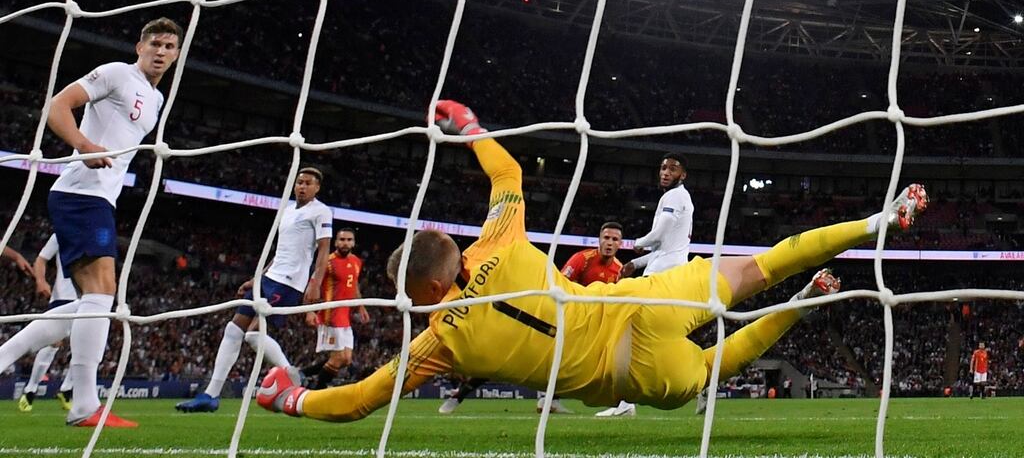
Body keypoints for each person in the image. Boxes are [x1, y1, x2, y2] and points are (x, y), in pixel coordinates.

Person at [255, 99, 929, 423]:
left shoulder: (441, 342)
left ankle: (804, 304)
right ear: (452, 249)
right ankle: (877, 220)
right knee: (762, 264)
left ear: (423, 291)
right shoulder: (501, 239)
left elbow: (360, 400)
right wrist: (468, 128)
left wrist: (293, 397)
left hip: (628, 374)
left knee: (722, 362)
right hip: (646, 302)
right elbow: (509, 172)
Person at [42, 17, 182, 428]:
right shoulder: (118, 73)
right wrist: (83, 145)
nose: (161, 51)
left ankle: (73, 396)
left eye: (169, 46)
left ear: (176, 54)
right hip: (81, 192)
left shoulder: (155, 100)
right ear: (139, 46)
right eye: (155, 43)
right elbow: (57, 105)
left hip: (99, 198)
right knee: (102, 294)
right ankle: (85, 404)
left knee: (91, 301)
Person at [176, 167, 333, 413]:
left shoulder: (321, 211)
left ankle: (293, 379)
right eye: (299, 182)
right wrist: (257, 278)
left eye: (308, 183)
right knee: (233, 329)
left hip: (289, 281)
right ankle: (210, 395)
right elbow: (280, 251)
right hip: (270, 277)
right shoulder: (288, 210)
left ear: (317, 188)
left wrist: (315, 283)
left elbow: (324, 250)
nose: (302, 186)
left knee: (251, 335)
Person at [438, 222, 627, 415]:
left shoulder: (619, 270)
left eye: (614, 239)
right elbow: (558, 285)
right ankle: (459, 395)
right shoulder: (582, 259)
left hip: (583, 327)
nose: (609, 243)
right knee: (506, 353)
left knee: (575, 361)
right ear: (599, 239)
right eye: (606, 238)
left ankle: (553, 400)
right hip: (552, 316)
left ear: (620, 244)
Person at [596, 154, 693, 417]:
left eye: (672, 168)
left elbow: (660, 233)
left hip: (663, 275)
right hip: (668, 271)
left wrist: (637, 242)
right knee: (659, 336)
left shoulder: (674, 198)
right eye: (662, 167)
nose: (665, 172)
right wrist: (634, 264)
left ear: (682, 175)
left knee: (627, 328)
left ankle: (625, 403)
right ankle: (701, 393)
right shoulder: (678, 198)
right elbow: (666, 246)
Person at [302, 227, 370, 390]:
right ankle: (316, 391)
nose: (345, 243)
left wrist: (361, 306)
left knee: (346, 359)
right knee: (339, 358)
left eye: (349, 240)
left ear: (353, 243)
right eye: (342, 240)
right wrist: (309, 310)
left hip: (345, 315)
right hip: (330, 315)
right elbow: (312, 286)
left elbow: (354, 285)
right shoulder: (328, 262)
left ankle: (302, 374)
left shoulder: (356, 262)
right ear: (336, 242)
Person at [16, 234, 77, 413]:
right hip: (63, 297)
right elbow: (41, 259)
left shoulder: (96, 229)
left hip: (89, 297)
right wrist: (41, 281)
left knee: (88, 343)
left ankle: (67, 389)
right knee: (52, 343)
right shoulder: (61, 232)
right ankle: (30, 390)